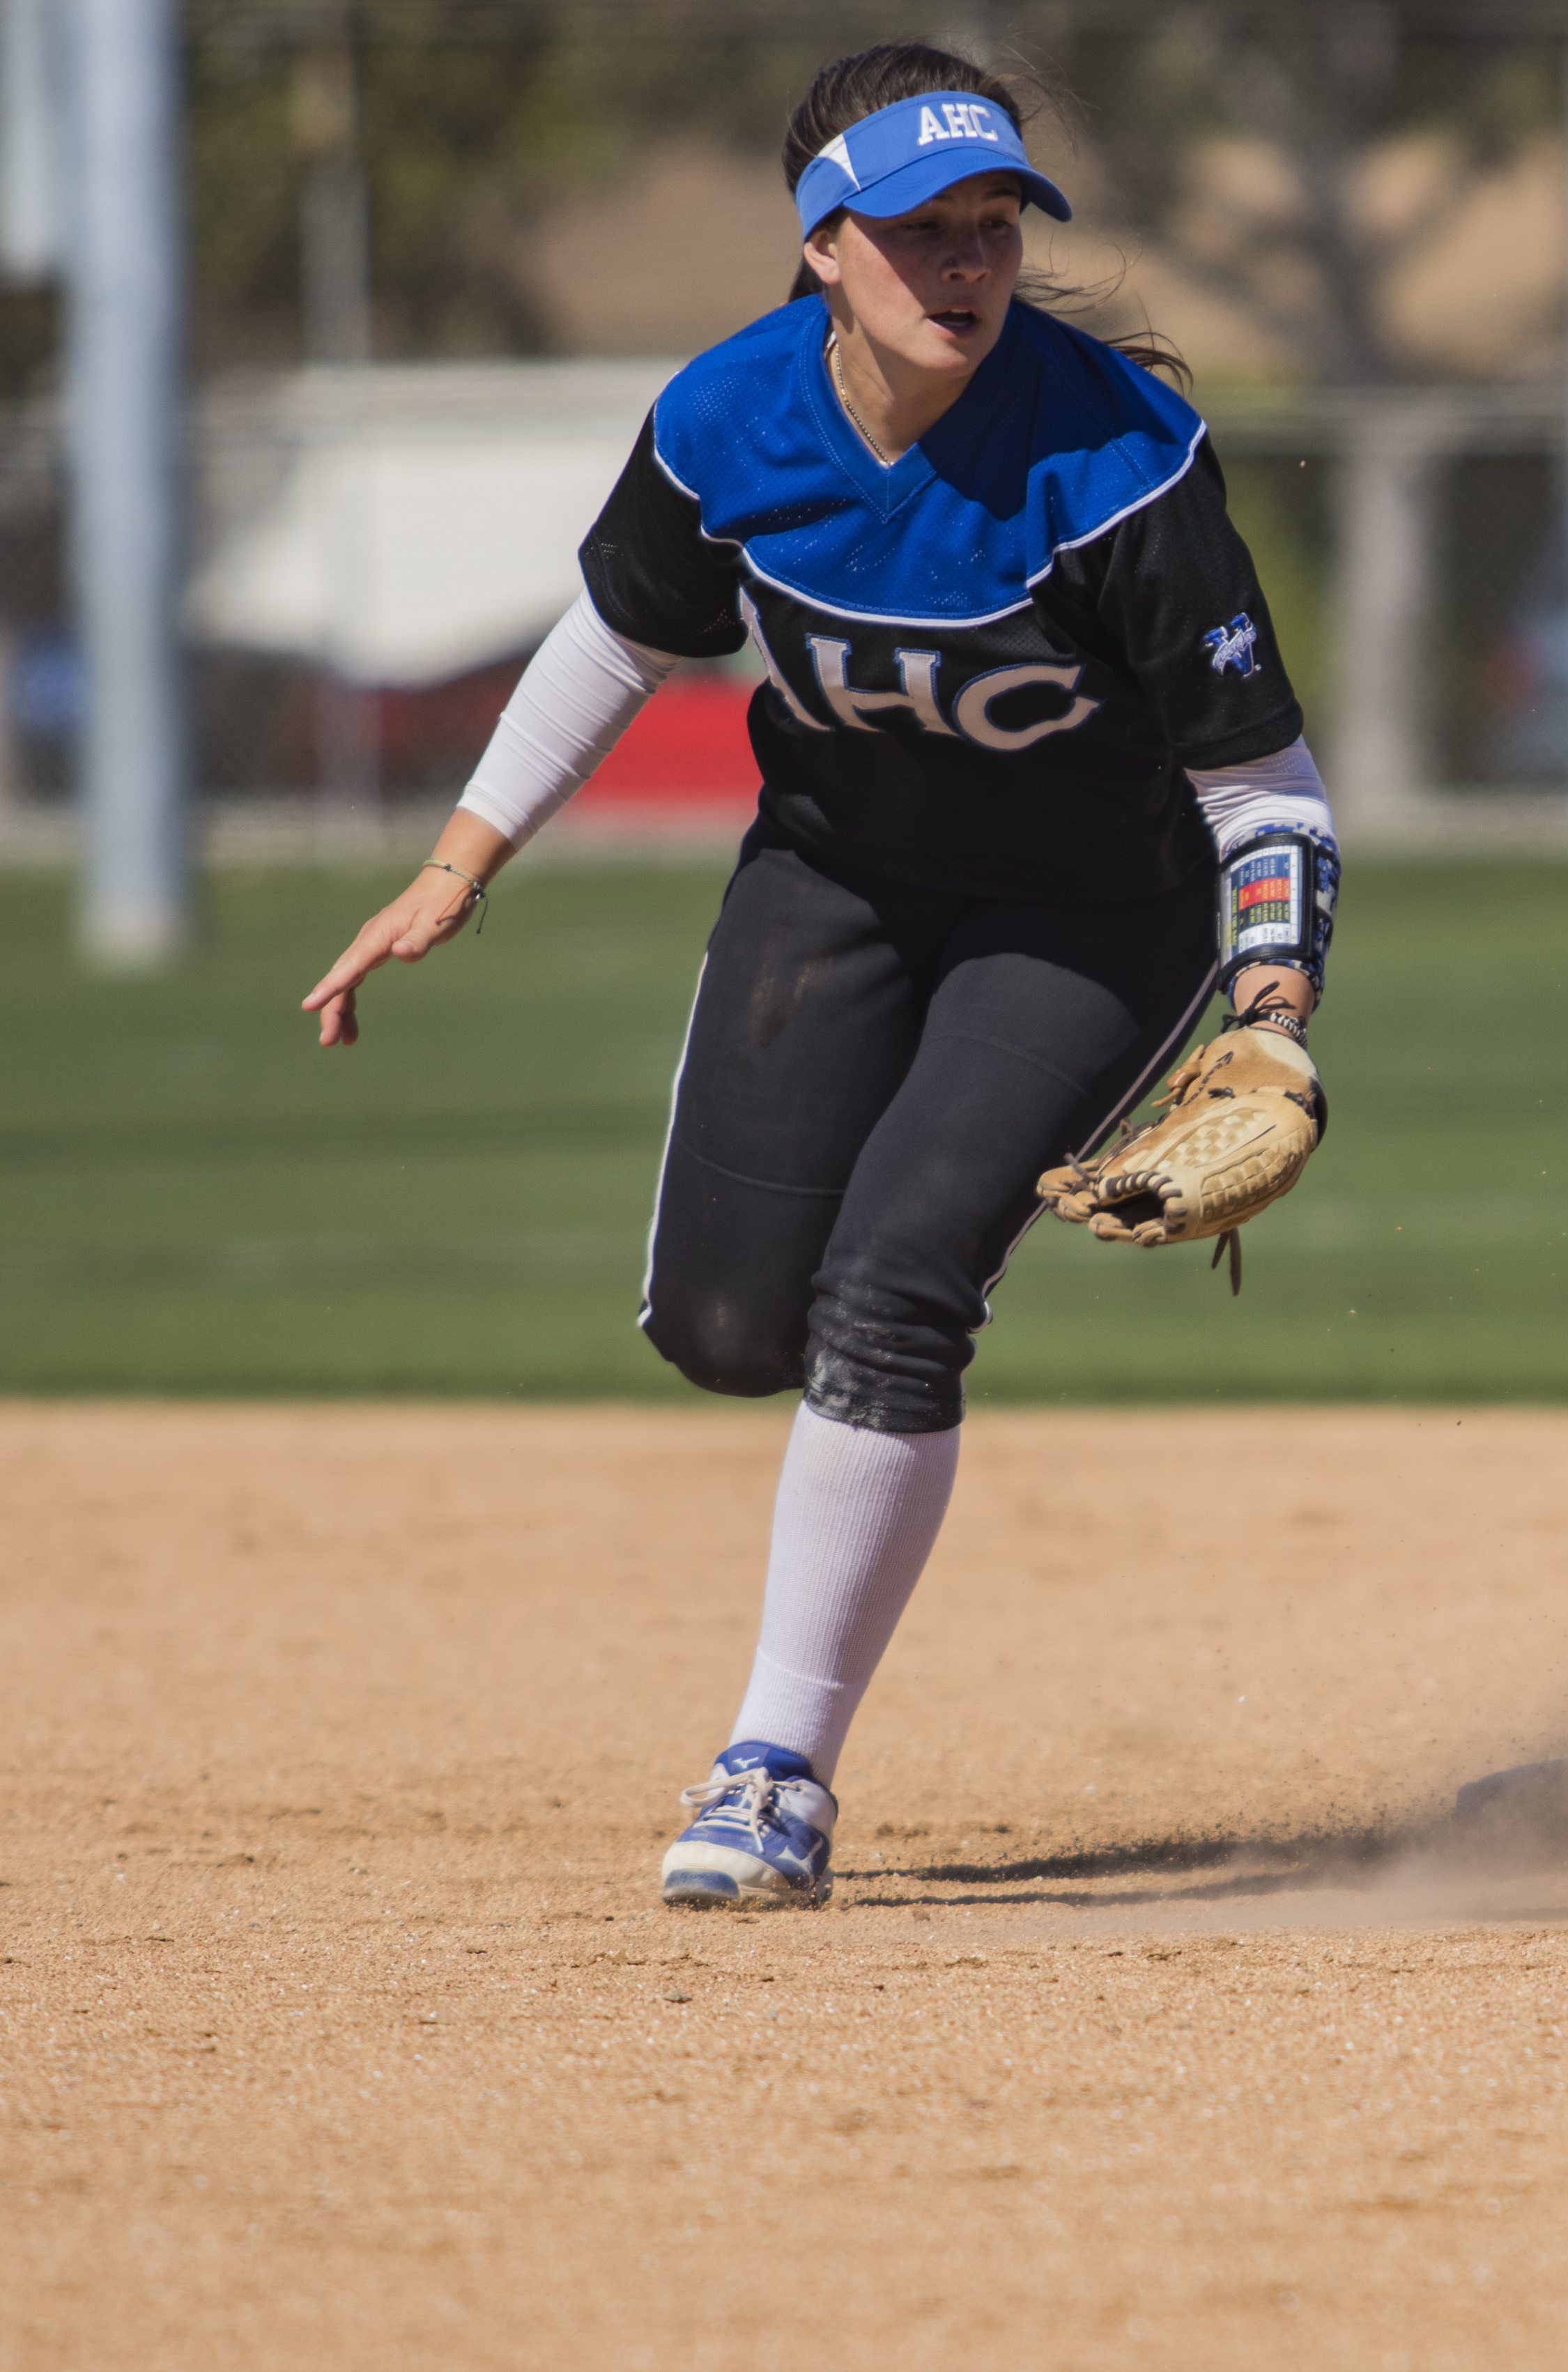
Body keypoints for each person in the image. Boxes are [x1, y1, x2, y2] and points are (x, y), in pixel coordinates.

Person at [299, 43, 1339, 1908]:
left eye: (996, 229)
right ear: (824, 246)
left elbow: (1262, 782)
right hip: (838, 882)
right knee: (726, 1328)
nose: (966, 268)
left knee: (890, 1295)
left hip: (1090, 914)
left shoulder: (1114, 456)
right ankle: (828, 1514)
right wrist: (461, 862)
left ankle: (771, 1773)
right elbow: (618, 636)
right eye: (922, 232)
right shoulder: (731, 418)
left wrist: (1270, 1006)